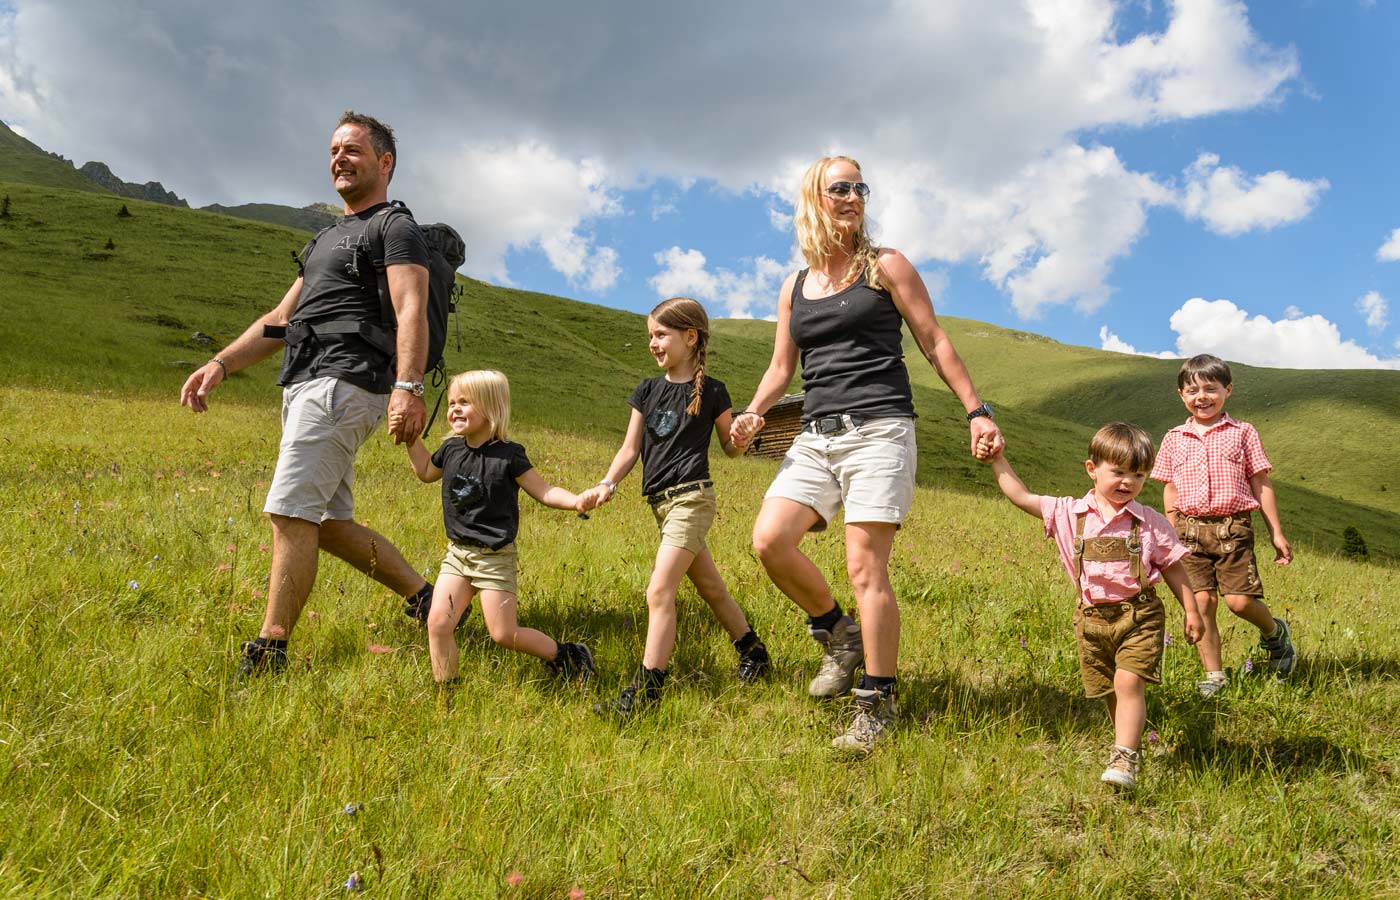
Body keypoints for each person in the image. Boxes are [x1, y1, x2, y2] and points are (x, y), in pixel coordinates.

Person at [730, 155, 1003, 751]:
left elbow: (934, 340)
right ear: (814, 200)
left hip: (880, 429)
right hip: (814, 433)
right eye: (840, 188)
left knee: (864, 567)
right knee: (769, 540)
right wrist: (753, 412)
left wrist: (976, 411)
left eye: (860, 187)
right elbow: (782, 367)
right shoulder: (795, 287)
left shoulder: (885, 267)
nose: (853, 196)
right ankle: (837, 632)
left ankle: (878, 699)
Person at [180, 111, 436, 677]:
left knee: (290, 511)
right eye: (333, 151)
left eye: (353, 150)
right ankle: (430, 601)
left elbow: (410, 308)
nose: (339, 159)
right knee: (326, 525)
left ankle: (270, 648)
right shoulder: (326, 238)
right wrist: (221, 364)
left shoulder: (395, 228)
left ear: (385, 162)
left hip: (344, 382)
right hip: (305, 382)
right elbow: (279, 319)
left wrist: (408, 388)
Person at [577, 298, 771, 717]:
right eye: (650, 335)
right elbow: (631, 449)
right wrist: (608, 483)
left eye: (660, 335)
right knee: (711, 588)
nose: (652, 343)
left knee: (659, 590)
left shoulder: (714, 391)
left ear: (690, 337)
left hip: (692, 498)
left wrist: (742, 436)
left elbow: (730, 449)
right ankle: (753, 651)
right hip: (660, 505)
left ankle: (646, 694)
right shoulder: (646, 390)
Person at [982, 423, 1203, 790]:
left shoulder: (1150, 522)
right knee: (1113, 691)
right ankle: (1126, 745)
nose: (1127, 482)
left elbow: (1175, 568)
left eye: (1138, 475)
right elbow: (1021, 496)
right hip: (1092, 619)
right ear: (1092, 469)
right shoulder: (1069, 513)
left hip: (1139, 615)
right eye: (1118, 472)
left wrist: (1192, 611)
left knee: (1129, 681)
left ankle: (1125, 759)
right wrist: (998, 460)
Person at [397, 369, 596, 683]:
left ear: (491, 407)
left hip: (494, 558)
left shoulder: (509, 456)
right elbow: (424, 470)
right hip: (457, 555)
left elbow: (544, 491)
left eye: (465, 402)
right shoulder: (451, 450)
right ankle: (445, 691)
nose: (454, 409)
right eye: (451, 403)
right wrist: (411, 439)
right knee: (438, 624)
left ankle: (567, 655)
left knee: (504, 633)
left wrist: (576, 501)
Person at [1150, 354, 1297, 697]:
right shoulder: (1173, 437)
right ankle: (1214, 676)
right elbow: (1169, 486)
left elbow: (1261, 482)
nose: (1201, 396)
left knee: (1239, 602)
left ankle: (1275, 633)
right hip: (1187, 531)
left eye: (1210, 388)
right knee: (1202, 604)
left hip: (1233, 529)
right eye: (1192, 390)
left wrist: (1276, 531)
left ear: (1227, 390)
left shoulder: (1243, 432)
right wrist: (1170, 529)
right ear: (1180, 395)